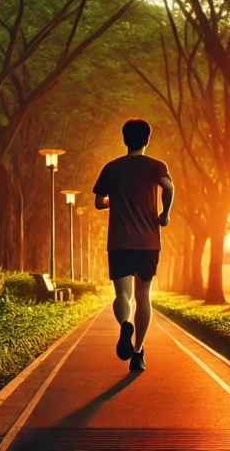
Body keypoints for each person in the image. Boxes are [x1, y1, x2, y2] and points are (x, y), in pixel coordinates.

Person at [92, 118, 173, 372]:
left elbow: (98, 202)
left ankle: (124, 323)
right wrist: (165, 213)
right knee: (143, 296)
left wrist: (114, 202)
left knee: (122, 295)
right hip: (148, 242)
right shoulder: (156, 166)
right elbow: (169, 187)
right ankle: (138, 353)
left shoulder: (111, 168)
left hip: (119, 242)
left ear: (124, 139)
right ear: (147, 140)